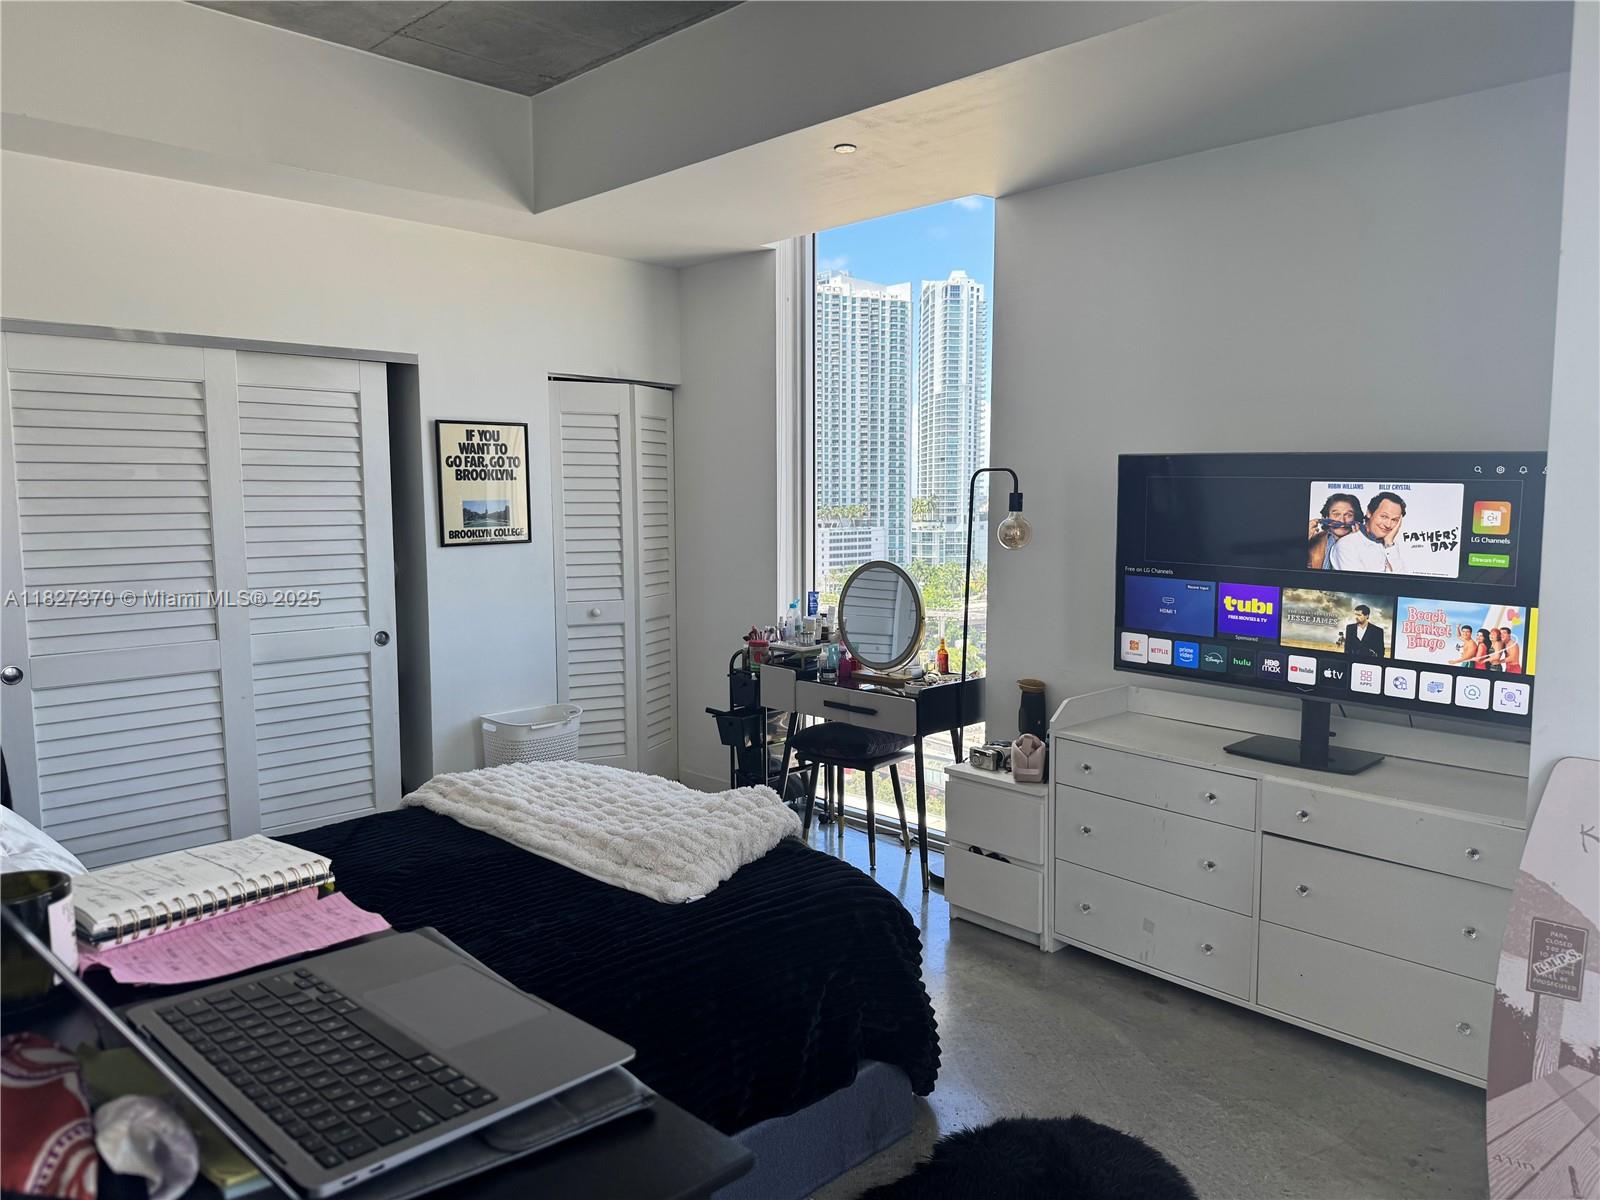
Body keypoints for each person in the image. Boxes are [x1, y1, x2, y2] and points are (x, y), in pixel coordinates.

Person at [1328, 491, 1409, 574]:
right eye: (1384, 516)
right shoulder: (1346, 545)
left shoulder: (1391, 545)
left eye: (1394, 520)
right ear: (1369, 513)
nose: (1388, 525)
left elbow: (1403, 579)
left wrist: (1389, 544)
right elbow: (1359, 581)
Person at [1306, 493, 1361, 570]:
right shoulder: (1313, 540)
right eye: (1336, 514)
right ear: (1327, 517)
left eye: (1348, 515)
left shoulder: (1366, 543)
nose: (1342, 520)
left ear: (1355, 518)